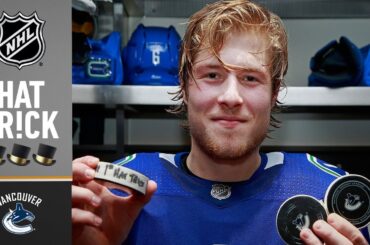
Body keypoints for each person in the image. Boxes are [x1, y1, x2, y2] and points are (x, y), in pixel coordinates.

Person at [72, 1, 370, 244]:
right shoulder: (112, 191)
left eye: (250, 78)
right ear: (185, 87)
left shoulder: (333, 194)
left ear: (274, 93)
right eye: (212, 75)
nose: (231, 97)